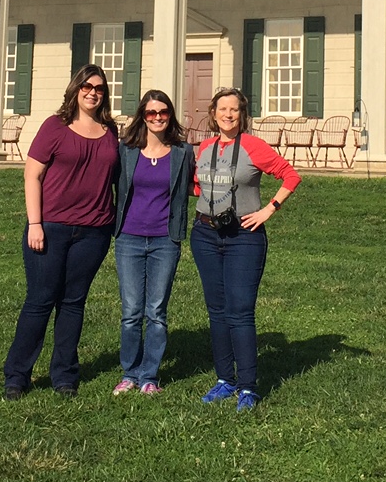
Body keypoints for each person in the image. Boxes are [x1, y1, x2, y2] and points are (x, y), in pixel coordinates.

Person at [2, 65, 120, 399]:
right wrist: (35, 223)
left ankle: (64, 375)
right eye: (87, 86)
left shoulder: (110, 131)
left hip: (94, 231)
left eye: (99, 88)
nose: (93, 92)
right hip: (50, 227)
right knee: (39, 301)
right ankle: (17, 375)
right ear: (75, 89)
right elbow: (32, 176)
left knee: (73, 304)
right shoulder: (55, 126)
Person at [190, 87, 301, 411]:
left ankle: (248, 387)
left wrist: (269, 209)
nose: (228, 114)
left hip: (243, 237)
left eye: (234, 110)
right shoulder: (205, 147)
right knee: (217, 311)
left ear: (242, 115)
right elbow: (200, 184)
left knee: (240, 312)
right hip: (206, 235)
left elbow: (290, 175)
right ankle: (225, 379)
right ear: (213, 113)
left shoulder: (254, 147)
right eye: (222, 109)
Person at [112, 89, 195, 396]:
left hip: (165, 240)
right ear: (142, 117)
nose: (157, 118)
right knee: (131, 311)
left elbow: (193, 188)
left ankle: (150, 377)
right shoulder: (127, 150)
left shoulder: (182, 152)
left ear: (170, 116)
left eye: (163, 113)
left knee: (156, 312)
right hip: (129, 238)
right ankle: (130, 374)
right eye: (151, 113)